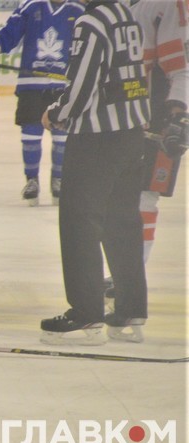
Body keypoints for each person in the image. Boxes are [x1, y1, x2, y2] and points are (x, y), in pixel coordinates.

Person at [40, 0, 151, 345]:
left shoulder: (90, 23)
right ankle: (130, 309)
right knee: (122, 222)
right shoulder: (124, 14)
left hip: (97, 139)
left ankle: (85, 314)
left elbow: (83, 84)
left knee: (79, 223)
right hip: (132, 135)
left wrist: (57, 113)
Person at [104, 0, 188, 313]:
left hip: (158, 118)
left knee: (144, 197)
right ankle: (124, 273)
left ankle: (130, 276)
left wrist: (178, 117)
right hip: (128, 117)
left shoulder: (166, 4)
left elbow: (181, 67)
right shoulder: (124, 6)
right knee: (121, 196)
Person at [0, 0, 84, 206]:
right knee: (31, 133)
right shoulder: (31, 6)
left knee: (62, 135)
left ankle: (58, 179)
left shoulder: (78, 11)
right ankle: (32, 180)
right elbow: (10, 32)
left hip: (63, 86)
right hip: (31, 85)